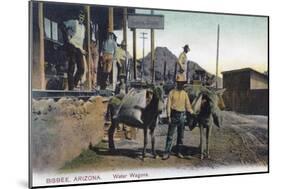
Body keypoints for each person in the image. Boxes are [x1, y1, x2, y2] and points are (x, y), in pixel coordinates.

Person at [162, 74, 194, 160]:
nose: (181, 84)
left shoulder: (185, 94)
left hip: (182, 116)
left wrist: (192, 112)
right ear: (177, 83)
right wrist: (168, 116)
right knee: (170, 135)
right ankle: (166, 152)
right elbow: (168, 105)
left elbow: (188, 106)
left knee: (181, 136)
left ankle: (179, 152)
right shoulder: (171, 92)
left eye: (182, 83)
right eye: (179, 83)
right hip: (173, 115)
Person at [63, 10, 86, 90]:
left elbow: (81, 40)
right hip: (71, 45)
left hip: (79, 47)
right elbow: (64, 24)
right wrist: (68, 35)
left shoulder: (83, 28)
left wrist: (82, 49)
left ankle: (75, 84)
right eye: (80, 16)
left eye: (83, 17)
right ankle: (71, 87)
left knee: (82, 68)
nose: (81, 18)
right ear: (78, 16)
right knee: (72, 65)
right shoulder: (73, 22)